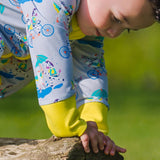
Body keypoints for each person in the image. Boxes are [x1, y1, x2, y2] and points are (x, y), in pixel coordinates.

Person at [0, 0, 158, 155]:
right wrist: (67, 123)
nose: (114, 33)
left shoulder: (86, 23)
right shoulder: (56, 3)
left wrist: (95, 132)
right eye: (116, 19)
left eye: (126, 29)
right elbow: (49, 47)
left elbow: (90, 68)